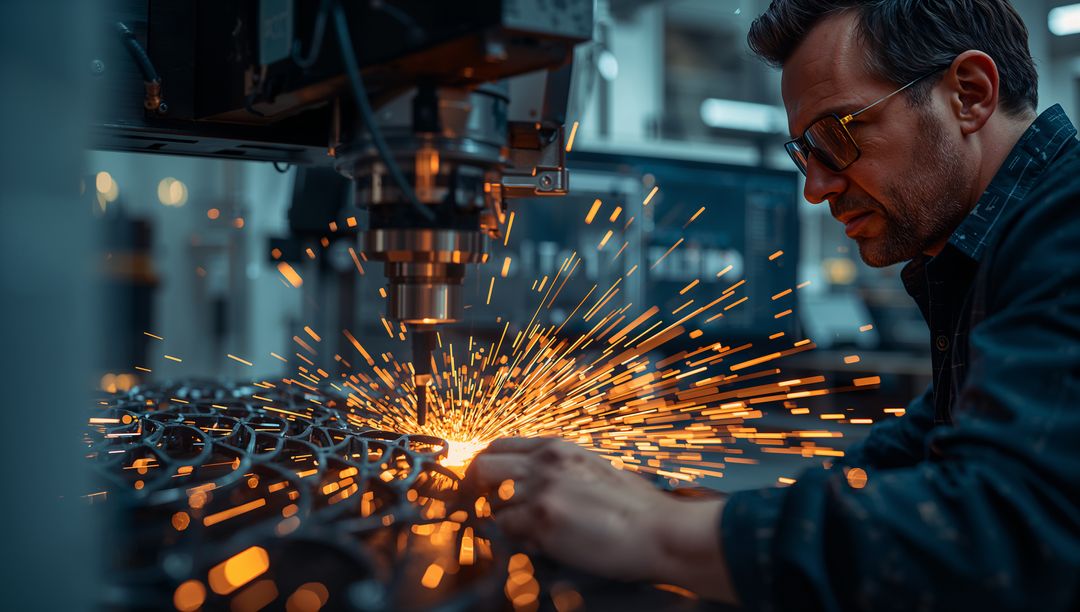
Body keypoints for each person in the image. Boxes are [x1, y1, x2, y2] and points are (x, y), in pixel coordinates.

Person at [466, 0, 1080, 609]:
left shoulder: (1065, 225)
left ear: (969, 94)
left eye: (837, 136)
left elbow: (1002, 539)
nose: (816, 188)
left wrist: (652, 531)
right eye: (804, 153)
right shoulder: (991, 257)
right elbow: (915, 454)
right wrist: (656, 503)